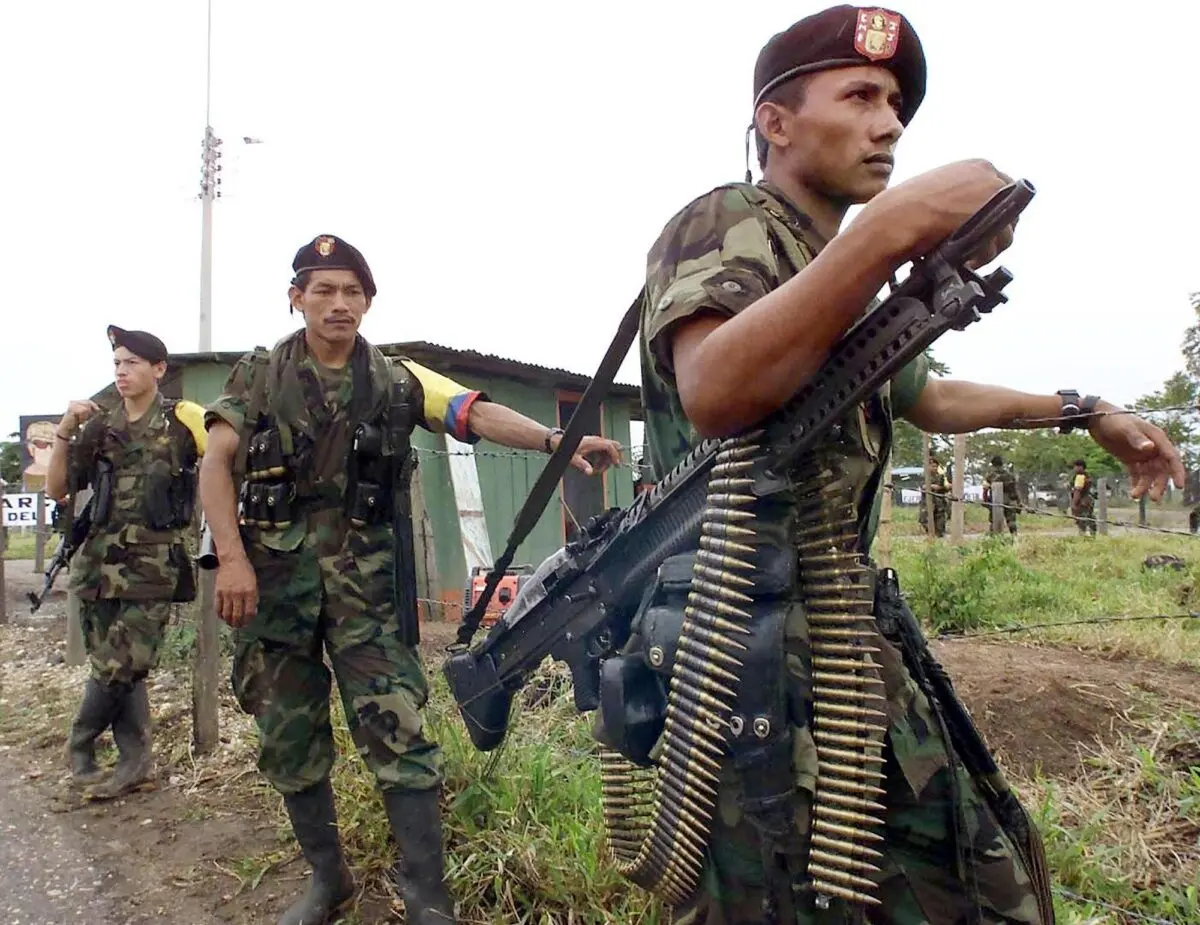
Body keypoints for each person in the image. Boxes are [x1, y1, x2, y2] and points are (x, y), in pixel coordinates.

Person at [634, 6, 1184, 923]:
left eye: (896, 103)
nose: (889, 123)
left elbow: (927, 395)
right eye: (859, 95)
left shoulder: (832, 263)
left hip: (840, 630)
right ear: (776, 121)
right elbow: (715, 388)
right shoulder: (723, 221)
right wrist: (884, 232)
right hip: (735, 648)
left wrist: (1086, 410)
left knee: (986, 875)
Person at [198, 234, 622, 925]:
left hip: (364, 598)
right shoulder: (258, 376)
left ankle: (429, 896)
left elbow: (474, 412)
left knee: (399, 732)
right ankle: (327, 880)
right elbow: (215, 464)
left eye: (353, 291)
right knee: (288, 736)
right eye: (324, 289)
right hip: (276, 589)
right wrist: (233, 558)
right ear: (296, 297)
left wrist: (560, 440)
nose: (340, 303)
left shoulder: (398, 379)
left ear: (369, 301)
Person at [45, 326, 207, 798]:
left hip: (154, 567)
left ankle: (80, 744)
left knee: (123, 662)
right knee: (120, 667)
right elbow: (59, 489)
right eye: (117, 363)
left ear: (159, 369)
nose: (121, 371)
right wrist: (63, 432)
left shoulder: (181, 420)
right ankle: (135, 762)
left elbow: (223, 459)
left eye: (132, 363)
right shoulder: (101, 427)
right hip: (99, 565)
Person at [982, 454, 1020, 535]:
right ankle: (1015, 540)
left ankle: (995, 541)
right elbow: (1015, 490)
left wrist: (985, 501)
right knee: (1012, 523)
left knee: (995, 523)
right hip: (1009, 501)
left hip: (996, 502)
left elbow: (985, 489)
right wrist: (1018, 502)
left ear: (993, 465)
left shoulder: (991, 476)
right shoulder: (1010, 475)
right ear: (1002, 464)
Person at [918, 452, 950, 536]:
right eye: (933, 466)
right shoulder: (923, 476)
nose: (935, 468)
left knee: (940, 524)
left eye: (936, 466)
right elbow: (923, 486)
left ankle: (938, 535)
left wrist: (942, 487)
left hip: (939, 503)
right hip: (927, 503)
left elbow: (945, 487)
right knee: (925, 520)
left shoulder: (941, 476)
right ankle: (931, 535)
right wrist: (932, 486)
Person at [1069, 458, 1097, 535]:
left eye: (1075, 466)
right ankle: (1093, 536)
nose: (1074, 468)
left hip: (1082, 502)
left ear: (1080, 467)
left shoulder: (1080, 477)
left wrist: (1074, 504)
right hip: (1089, 501)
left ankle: (1083, 538)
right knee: (1090, 518)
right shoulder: (1087, 476)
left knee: (1082, 521)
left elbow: (1077, 491)